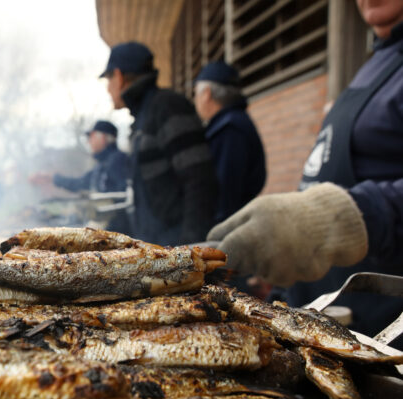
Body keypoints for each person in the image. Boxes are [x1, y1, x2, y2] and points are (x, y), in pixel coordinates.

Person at [207, 1, 403, 399]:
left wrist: (337, 221)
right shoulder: (377, 58)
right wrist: (289, 289)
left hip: (388, 341)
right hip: (328, 322)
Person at [101, 41, 218, 246]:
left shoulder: (167, 107)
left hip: (176, 248)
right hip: (156, 247)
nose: (107, 88)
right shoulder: (142, 119)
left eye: (108, 79)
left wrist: (188, 253)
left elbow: (199, 180)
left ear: (118, 77)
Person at [194, 61, 266, 223]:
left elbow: (225, 194)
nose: (195, 100)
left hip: (227, 229)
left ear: (206, 94)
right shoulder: (230, 122)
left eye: (196, 93)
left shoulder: (229, 128)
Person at [32, 120, 132, 233]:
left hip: (119, 231)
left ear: (103, 138)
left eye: (91, 136)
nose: (89, 141)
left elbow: (123, 202)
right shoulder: (100, 167)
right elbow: (79, 183)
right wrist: (52, 178)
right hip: (105, 228)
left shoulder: (119, 160)